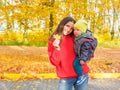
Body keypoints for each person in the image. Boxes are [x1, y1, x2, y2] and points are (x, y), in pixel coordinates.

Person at [48, 17, 89, 90]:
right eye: (67, 26)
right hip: (66, 78)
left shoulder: (76, 37)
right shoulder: (53, 40)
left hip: (82, 75)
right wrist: (57, 48)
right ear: (62, 24)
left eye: (72, 28)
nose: (69, 30)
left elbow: (88, 48)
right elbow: (54, 62)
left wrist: (87, 57)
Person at [73, 19, 96, 85]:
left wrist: (83, 59)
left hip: (83, 56)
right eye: (74, 30)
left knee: (76, 64)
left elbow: (85, 50)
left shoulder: (84, 39)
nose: (75, 32)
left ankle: (81, 76)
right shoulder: (80, 37)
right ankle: (81, 75)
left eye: (78, 30)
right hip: (80, 54)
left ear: (82, 31)